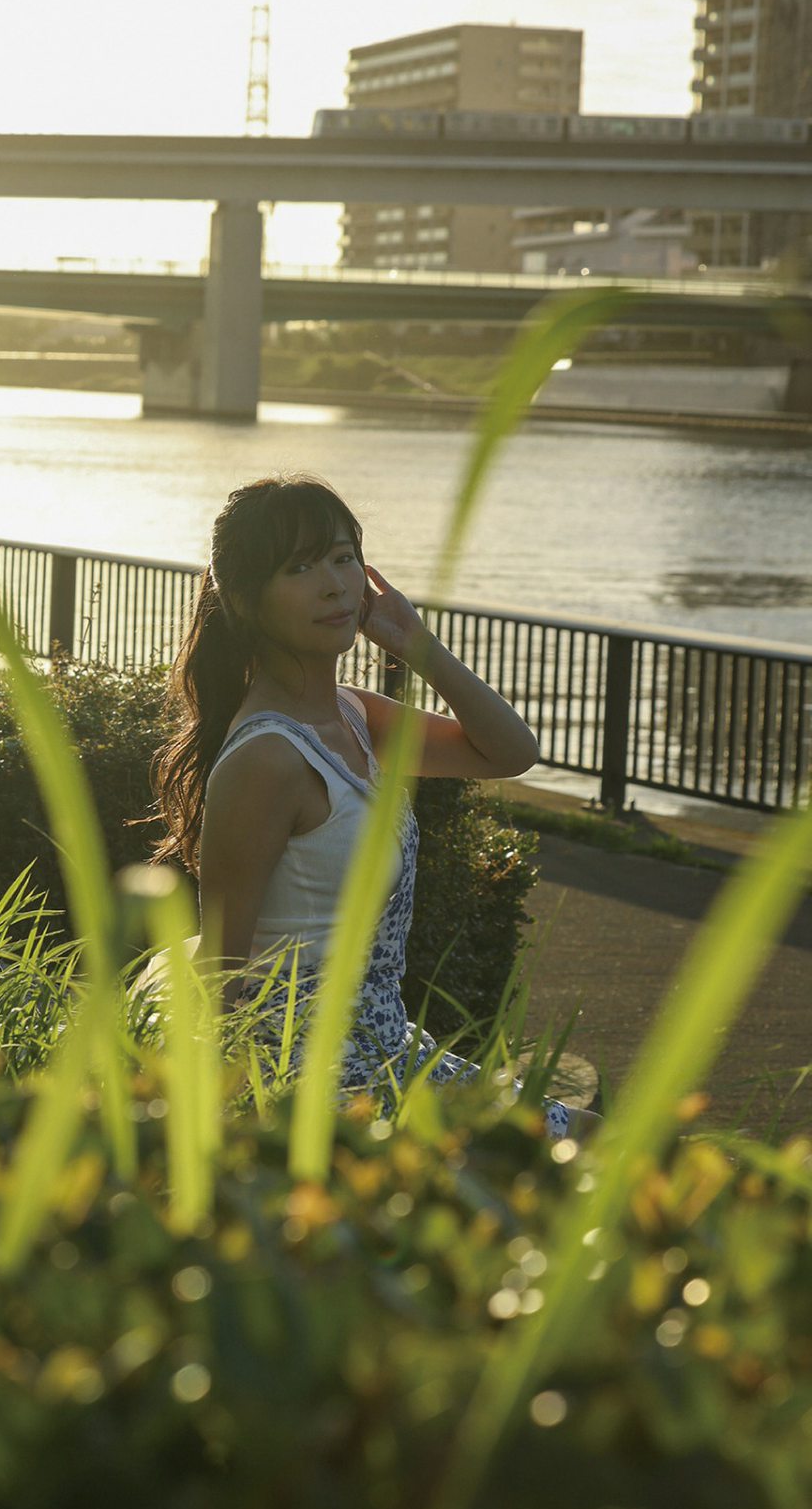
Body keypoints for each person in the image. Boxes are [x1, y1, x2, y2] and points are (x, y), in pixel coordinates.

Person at [141, 473, 601, 1143]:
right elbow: (222, 971)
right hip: (314, 1070)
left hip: (386, 1041)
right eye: (299, 567)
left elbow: (509, 750)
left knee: (590, 1137)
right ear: (243, 598)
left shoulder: (353, 716)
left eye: (342, 556)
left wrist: (417, 645)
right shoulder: (268, 758)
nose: (334, 583)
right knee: (568, 1152)